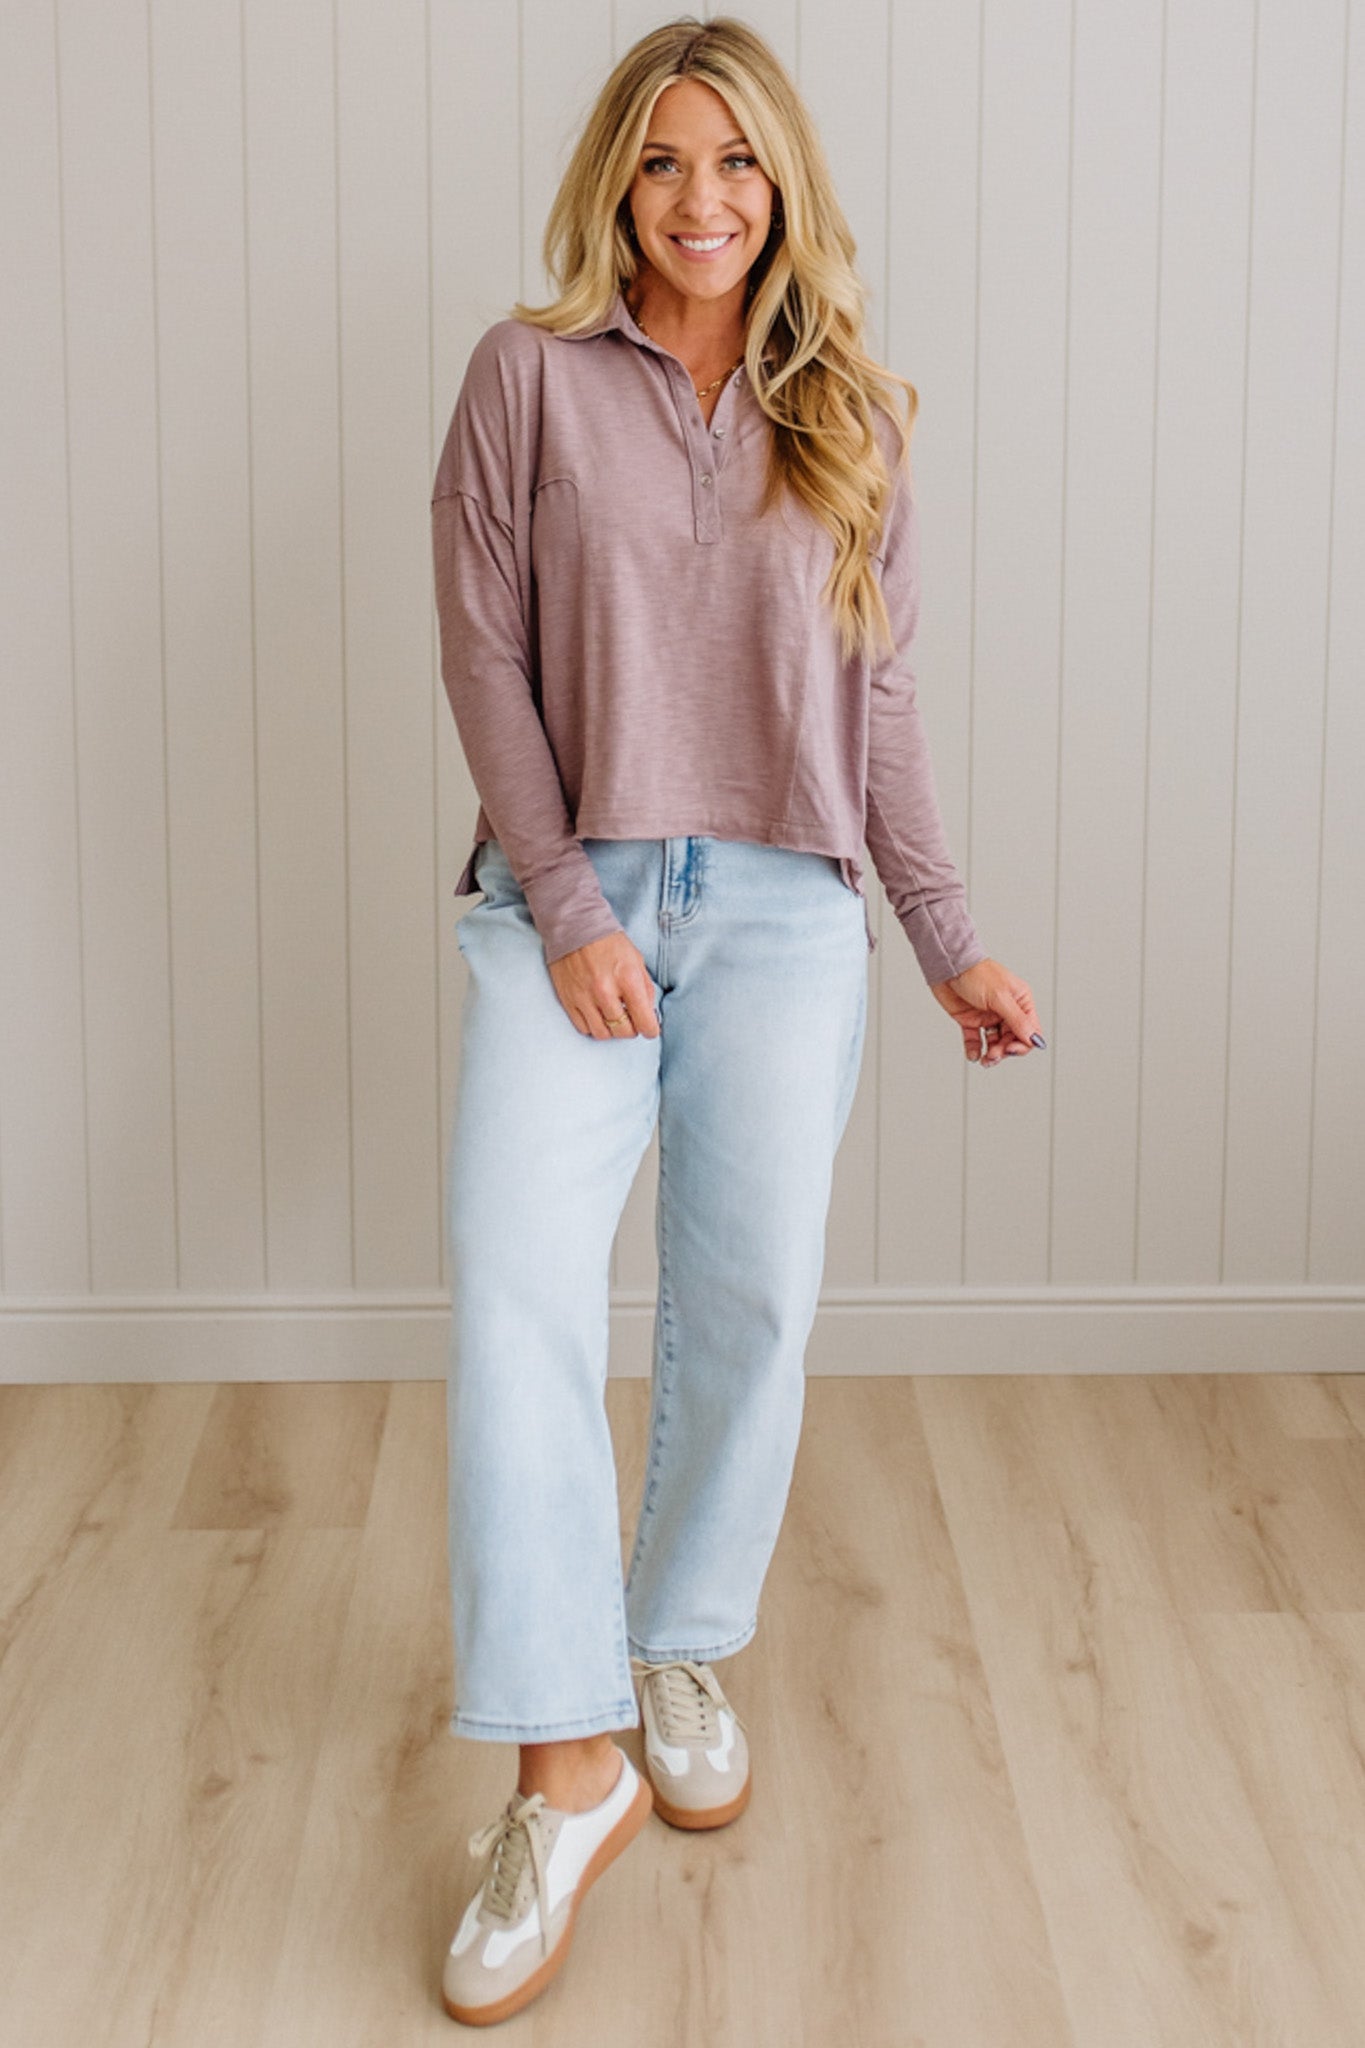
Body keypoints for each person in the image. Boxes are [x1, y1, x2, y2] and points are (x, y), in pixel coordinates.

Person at [430, 15, 1044, 2027]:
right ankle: (558, 1763)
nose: (704, 199)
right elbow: (487, 663)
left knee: (745, 1305)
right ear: (617, 177)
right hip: (569, 900)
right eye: (667, 162)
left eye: (740, 165)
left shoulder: (852, 408)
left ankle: (673, 1641)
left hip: (786, 911)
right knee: (517, 1292)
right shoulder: (523, 379)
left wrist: (947, 936)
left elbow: (871, 706)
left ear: (784, 189)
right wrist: (574, 902)